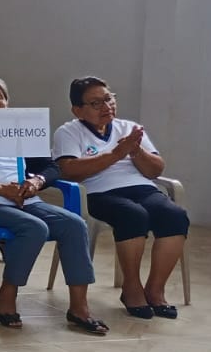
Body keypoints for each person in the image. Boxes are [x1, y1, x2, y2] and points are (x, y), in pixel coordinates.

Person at [0, 77, 105, 335]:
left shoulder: (19, 130)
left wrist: (37, 181)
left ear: (7, 103)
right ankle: (7, 295)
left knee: (74, 224)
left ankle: (79, 307)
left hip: (26, 200)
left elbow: (51, 167)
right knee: (34, 228)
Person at [53, 76, 189, 319]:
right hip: (98, 192)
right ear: (78, 110)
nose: (106, 107)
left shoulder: (129, 128)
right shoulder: (68, 132)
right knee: (133, 216)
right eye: (96, 103)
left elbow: (155, 170)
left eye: (109, 99)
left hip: (142, 188)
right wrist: (117, 154)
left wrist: (135, 151)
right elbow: (68, 170)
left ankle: (155, 290)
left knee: (174, 216)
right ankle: (132, 288)